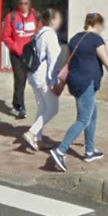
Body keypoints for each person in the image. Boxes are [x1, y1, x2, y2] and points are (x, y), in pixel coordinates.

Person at [48, 13, 108, 171]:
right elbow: (107, 63)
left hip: (74, 82)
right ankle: (61, 150)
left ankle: (90, 151)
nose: (103, 28)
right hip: (86, 83)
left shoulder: (74, 39)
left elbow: (67, 62)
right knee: (83, 119)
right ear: (97, 24)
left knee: (93, 115)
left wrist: (62, 84)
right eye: (102, 25)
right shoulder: (96, 40)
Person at [17, 8, 65, 153]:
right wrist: (53, 81)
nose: (60, 21)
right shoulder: (50, 35)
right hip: (43, 77)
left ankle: (38, 140)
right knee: (53, 109)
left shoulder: (39, 34)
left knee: (42, 107)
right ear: (52, 20)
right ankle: (31, 133)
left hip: (34, 75)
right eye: (58, 18)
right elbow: (53, 61)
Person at [0, 0, 41, 121]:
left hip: (31, 53)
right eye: (21, 3)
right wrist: (16, 48)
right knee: (20, 78)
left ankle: (16, 102)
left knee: (31, 78)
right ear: (18, 4)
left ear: (30, 3)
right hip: (16, 54)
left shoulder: (36, 15)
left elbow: (41, 32)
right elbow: (5, 36)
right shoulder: (11, 16)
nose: (23, 6)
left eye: (26, 3)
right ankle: (20, 107)